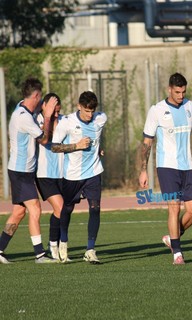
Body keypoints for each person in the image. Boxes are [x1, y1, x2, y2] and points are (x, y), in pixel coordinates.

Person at [139, 72, 192, 265]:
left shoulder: (190, 107)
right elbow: (147, 142)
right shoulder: (157, 110)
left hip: (187, 166)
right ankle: (177, 253)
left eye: (183, 92)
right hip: (167, 167)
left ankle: (172, 238)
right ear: (169, 89)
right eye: (177, 92)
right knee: (174, 207)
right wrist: (143, 169)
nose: (181, 95)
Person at [0, 77, 58, 264]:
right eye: (40, 98)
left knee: (18, 212)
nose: (41, 102)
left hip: (23, 171)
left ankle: (0, 248)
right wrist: (48, 115)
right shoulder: (23, 118)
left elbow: (37, 112)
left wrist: (45, 110)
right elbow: (44, 139)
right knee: (35, 208)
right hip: (20, 172)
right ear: (35, 95)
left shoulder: (23, 108)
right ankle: (40, 254)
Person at [51, 91, 107, 264]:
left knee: (95, 208)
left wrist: (98, 149)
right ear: (79, 106)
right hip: (73, 175)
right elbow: (54, 147)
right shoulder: (67, 122)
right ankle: (64, 243)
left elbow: (97, 137)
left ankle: (90, 250)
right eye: (86, 111)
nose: (90, 115)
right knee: (67, 209)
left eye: (92, 111)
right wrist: (76, 145)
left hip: (94, 172)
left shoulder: (101, 118)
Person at [35, 93, 64, 260]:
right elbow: (45, 139)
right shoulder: (37, 120)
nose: (56, 115)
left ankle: (56, 244)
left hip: (61, 172)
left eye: (58, 111)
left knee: (63, 210)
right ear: (44, 106)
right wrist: (48, 117)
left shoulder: (63, 120)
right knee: (59, 207)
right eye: (53, 111)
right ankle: (53, 246)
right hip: (44, 173)